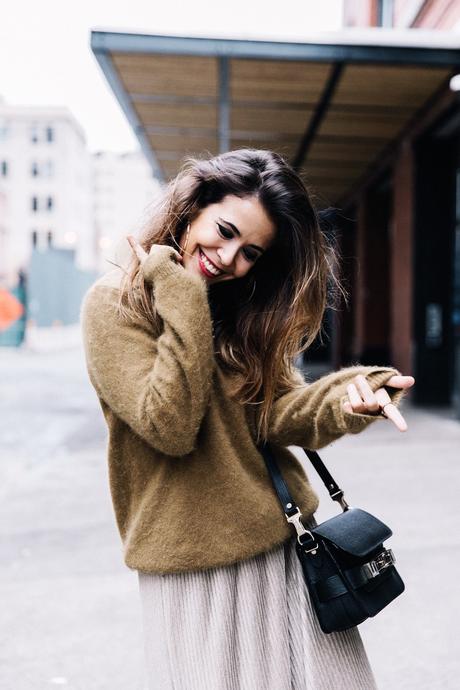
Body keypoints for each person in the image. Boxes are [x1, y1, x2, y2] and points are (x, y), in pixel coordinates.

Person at [81, 149, 414, 690]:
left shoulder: (240, 309)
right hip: (191, 564)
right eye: (225, 230)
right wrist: (182, 294)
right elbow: (169, 422)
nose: (229, 257)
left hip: (281, 551)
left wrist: (349, 398)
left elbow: (278, 414)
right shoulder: (115, 307)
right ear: (192, 208)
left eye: (251, 252)